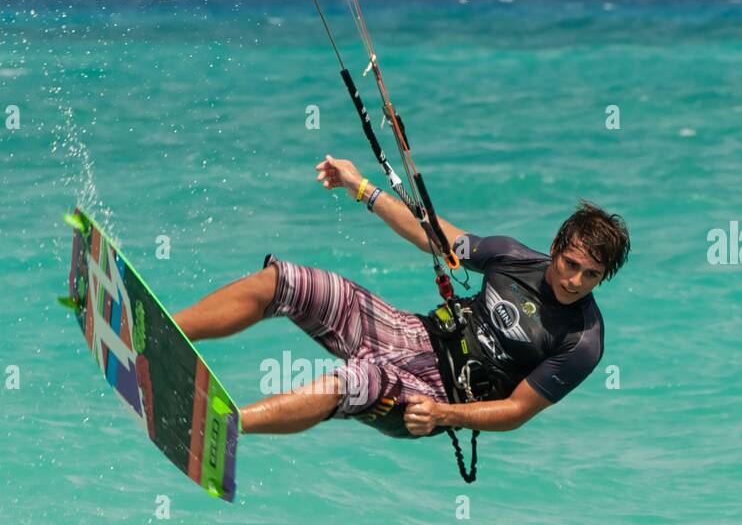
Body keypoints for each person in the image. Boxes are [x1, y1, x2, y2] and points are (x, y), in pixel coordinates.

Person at [173, 155, 629, 442]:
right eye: (571, 264)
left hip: (434, 393)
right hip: (412, 332)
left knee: (351, 381)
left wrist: (443, 414)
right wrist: (361, 187)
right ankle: (168, 328)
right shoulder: (510, 257)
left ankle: (226, 426)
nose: (575, 281)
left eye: (592, 275)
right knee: (286, 281)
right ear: (556, 247)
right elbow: (431, 234)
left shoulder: (582, 340)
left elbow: (516, 411)